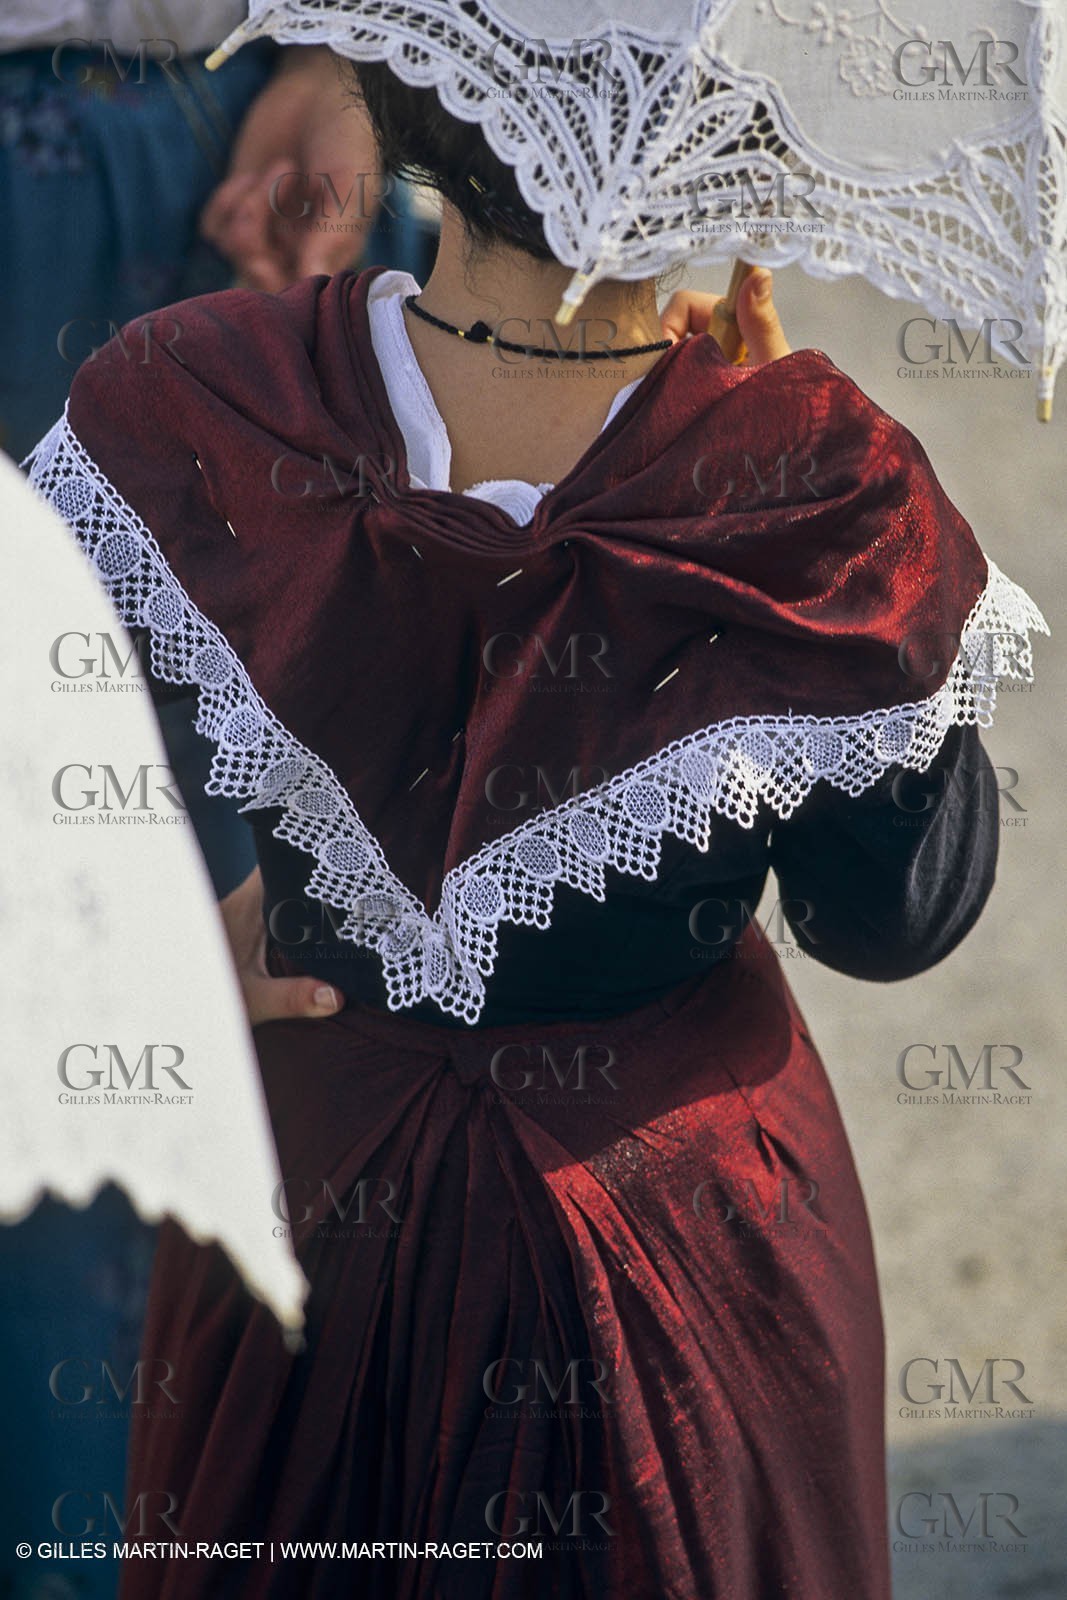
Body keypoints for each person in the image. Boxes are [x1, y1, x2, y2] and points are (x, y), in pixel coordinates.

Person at [23, 46, 1044, 1600]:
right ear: (730, 149)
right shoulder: (820, 494)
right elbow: (888, 915)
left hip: (314, 1215)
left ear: (405, 73)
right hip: (680, 1249)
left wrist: (163, 950)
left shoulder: (191, 392)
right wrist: (769, 486)